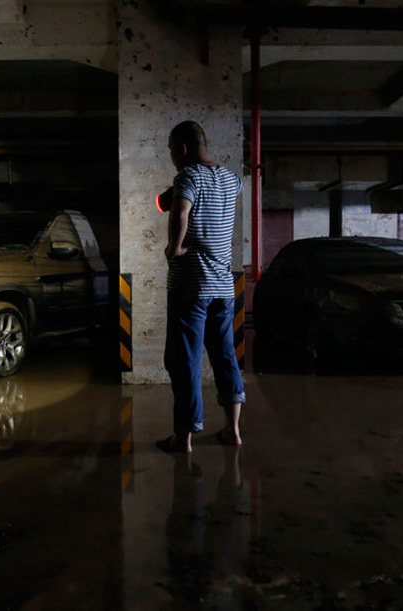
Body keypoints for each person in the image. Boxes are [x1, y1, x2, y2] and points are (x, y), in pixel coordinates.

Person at [158, 120, 245, 454]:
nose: (171, 158)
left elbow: (181, 211)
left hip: (191, 286)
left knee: (184, 361)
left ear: (181, 149)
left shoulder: (188, 177)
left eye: (170, 151)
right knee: (225, 357)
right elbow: (201, 200)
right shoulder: (232, 179)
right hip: (223, 289)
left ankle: (184, 437)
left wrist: (174, 247)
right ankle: (232, 430)